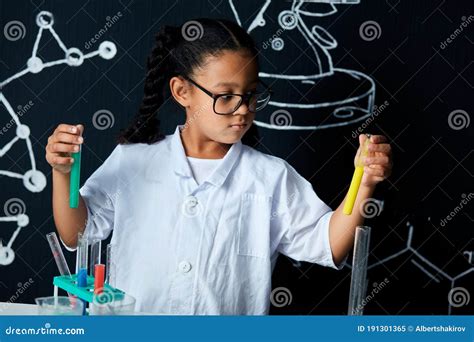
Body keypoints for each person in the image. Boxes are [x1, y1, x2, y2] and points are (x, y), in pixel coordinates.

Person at [45, 18, 392, 314]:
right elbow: (77, 233)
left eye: (251, 94)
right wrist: (62, 174)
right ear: (182, 92)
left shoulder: (270, 177)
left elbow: (329, 244)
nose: (243, 109)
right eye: (225, 96)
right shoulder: (133, 160)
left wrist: (364, 183)